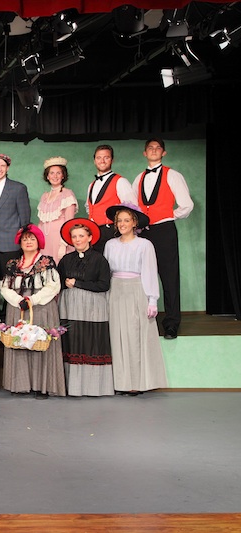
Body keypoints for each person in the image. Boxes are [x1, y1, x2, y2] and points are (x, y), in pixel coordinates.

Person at [103, 204, 168, 395]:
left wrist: (152, 299)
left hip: (136, 290)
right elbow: (106, 273)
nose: (122, 224)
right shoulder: (110, 245)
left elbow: (149, 271)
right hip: (116, 291)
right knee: (117, 336)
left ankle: (137, 382)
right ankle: (120, 382)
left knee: (135, 336)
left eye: (126, 220)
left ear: (134, 223)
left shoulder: (144, 245)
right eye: (119, 220)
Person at [132, 138, 194, 339]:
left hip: (164, 230)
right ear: (144, 153)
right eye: (150, 148)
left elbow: (187, 205)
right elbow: (133, 206)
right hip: (143, 232)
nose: (154, 150)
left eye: (158, 148)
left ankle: (171, 323)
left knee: (169, 276)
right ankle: (144, 321)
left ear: (163, 153)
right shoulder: (139, 178)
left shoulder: (172, 175)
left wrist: (168, 216)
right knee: (142, 276)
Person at [0, 224, 65, 399]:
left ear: (39, 242)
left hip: (41, 306)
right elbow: (4, 287)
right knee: (18, 343)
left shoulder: (47, 262)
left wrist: (32, 300)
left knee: (39, 342)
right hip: (17, 307)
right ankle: (20, 385)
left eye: (32, 239)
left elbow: (53, 286)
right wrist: (18, 300)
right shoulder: (13, 264)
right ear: (20, 243)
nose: (28, 242)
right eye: (25, 239)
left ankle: (41, 386)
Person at [57, 218, 113, 397]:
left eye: (81, 236)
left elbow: (104, 285)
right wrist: (66, 284)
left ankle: (93, 387)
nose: (77, 240)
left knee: (91, 342)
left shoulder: (99, 259)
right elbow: (58, 283)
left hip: (92, 308)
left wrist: (78, 283)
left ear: (89, 237)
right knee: (72, 342)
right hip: (70, 307)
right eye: (74, 237)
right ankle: (72, 386)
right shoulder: (66, 260)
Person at [86, 145, 136, 252]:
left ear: (112, 160)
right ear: (94, 161)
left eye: (106, 157)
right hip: (94, 233)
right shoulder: (91, 185)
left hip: (112, 232)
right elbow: (89, 208)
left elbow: (132, 208)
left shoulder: (121, 181)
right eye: (99, 158)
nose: (102, 161)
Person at [37, 156, 78, 264]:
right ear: (47, 176)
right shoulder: (44, 196)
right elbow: (41, 223)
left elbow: (70, 223)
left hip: (60, 241)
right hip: (45, 242)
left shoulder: (67, 194)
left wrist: (64, 244)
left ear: (63, 175)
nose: (55, 176)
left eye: (58, 173)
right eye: (52, 173)